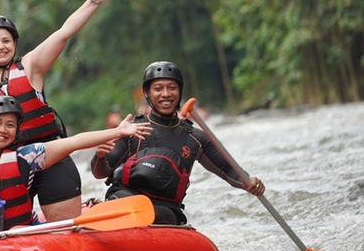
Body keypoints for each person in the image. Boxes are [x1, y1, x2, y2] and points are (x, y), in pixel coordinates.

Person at [0, 0, 124, 222]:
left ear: (15, 43)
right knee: (1, 230)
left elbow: (64, 32)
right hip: (10, 167)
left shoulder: (31, 66)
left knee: (65, 228)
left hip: (52, 157)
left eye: (6, 40)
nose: (1, 46)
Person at [0, 96, 151, 235]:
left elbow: (73, 142)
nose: (2, 130)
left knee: (16, 230)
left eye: (10, 125)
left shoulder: (27, 155)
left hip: (24, 233)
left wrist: (118, 132)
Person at [91, 61, 265, 225]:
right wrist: (100, 157)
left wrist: (248, 182)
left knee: (162, 215)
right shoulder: (132, 130)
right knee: (124, 203)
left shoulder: (195, 137)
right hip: (126, 199)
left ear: (179, 91)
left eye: (172, 88)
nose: (166, 94)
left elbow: (228, 170)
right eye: (158, 88)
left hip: (165, 210)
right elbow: (101, 172)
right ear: (147, 93)